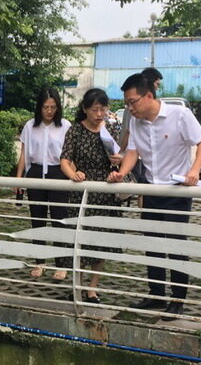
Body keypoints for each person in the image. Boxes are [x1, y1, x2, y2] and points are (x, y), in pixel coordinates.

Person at [108, 73, 201, 319]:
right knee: (152, 244)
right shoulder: (135, 121)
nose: (129, 108)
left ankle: (177, 299)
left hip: (176, 191)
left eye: (133, 102)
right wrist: (121, 173)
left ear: (149, 96)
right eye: (127, 103)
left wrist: (195, 170)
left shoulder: (180, 115)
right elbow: (133, 152)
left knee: (175, 246)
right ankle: (156, 294)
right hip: (150, 190)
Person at [59, 88, 121, 303]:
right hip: (82, 190)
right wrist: (73, 174)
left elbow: (121, 156)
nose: (99, 114)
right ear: (85, 109)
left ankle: (93, 288)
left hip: (105, 190)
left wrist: (117, 162)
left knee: (101, 241)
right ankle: (77, 285)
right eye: (95, 109)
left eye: (103, 109)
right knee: (79, 240)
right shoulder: (75, 130)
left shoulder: (110, 129)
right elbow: (65, 159)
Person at [15, 87, 73, 279]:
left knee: (59, 219)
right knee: (37, 219)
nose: (49, 111)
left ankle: (61, 264)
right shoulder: (30, 126)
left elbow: (71, 155)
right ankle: (40, 261)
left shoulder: (65, 126)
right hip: (36, 172)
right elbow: (24, 154)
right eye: (46, 107)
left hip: (58, 172)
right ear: (39, 107)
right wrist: (19, 178)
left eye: (53, 107)